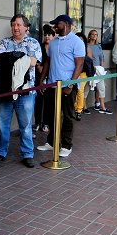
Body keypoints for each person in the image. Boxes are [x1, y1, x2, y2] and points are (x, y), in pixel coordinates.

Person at [0, 14, 42, 168]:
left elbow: (33, 62)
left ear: (26, 27)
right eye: (13, 25)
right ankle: (0, 152)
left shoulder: (33, 43)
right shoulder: (4, 42)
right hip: (5, 90)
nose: (15, 28)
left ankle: (27, 154)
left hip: (26, 91)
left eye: (19, 25)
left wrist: (10, 58)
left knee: (25, 124)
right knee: (2, 123)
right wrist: (19, 58)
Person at [37, 14, 85, 158]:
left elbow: (80, 64)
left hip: (68, 86)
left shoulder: (76, 42)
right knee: (52, 115)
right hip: (52, 85)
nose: (54, 27)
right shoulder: (53, 42)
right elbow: (47, 62)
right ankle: (52, 142)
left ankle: (66, 145)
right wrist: (42, 79)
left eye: (57, 24)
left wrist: (70, 84)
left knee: (68, 116)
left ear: (65, 24)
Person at [85, 29, 112, 114]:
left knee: (101, 88)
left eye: (96, 34)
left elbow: (102, 57)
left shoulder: (98, 46)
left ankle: (102, 107)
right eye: (92, 34)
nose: (94, 36)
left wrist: (102, 68)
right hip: (90, 69)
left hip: (99, 70)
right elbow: (87, 59)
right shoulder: (86, 46)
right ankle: (84, 106)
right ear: (89, 36)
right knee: (87, 88)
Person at [35, 25, 55, 130]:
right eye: (46, 35)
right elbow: (36, 58)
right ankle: (38, 122)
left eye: (49, 35)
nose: (47, 37)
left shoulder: (55, 47)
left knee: (48, 102)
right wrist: (39, 66)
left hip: (51, 78)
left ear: (53, 36)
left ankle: (46, 123)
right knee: (38, 100)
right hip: (40, 77)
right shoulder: (39, 46)